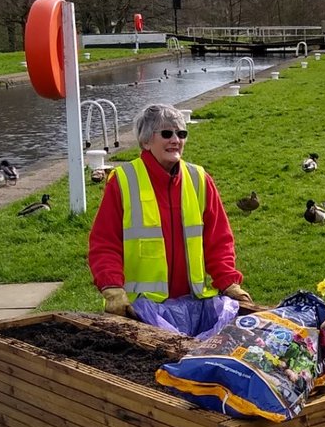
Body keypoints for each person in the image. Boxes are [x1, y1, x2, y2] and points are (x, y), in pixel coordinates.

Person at [88, 103, 252, 318]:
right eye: (167, 133)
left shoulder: (199, 178)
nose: (176, 140)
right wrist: (112, 289)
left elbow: (218, 240)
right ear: (146, 141)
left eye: (181, 133)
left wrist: (229, 282)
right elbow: (105, 243)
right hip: (140, 309)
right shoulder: (123, 181)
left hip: (193, 304)